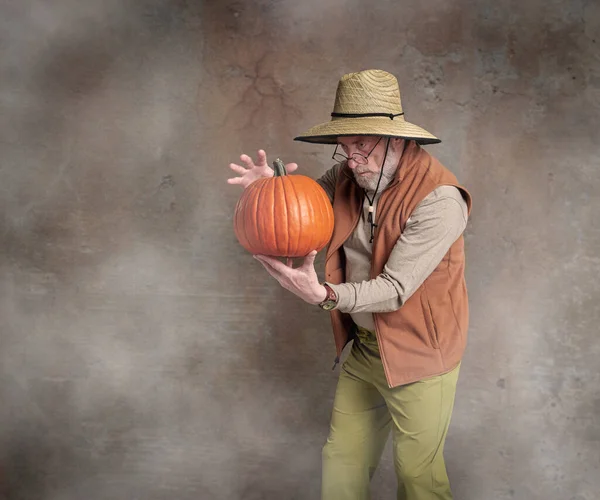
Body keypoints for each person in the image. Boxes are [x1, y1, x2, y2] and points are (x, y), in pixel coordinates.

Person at [227, 69, 472, 500]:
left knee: (418, 478)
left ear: (396, 138)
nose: (351, 158)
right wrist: (267, 188)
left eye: (361, 145)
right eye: (345, 148)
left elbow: (395, 288)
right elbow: (299, 206)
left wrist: (325, 295)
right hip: (365, 349)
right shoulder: (348, 177)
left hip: (419, 357)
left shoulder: (441, 200)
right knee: (342, 463)